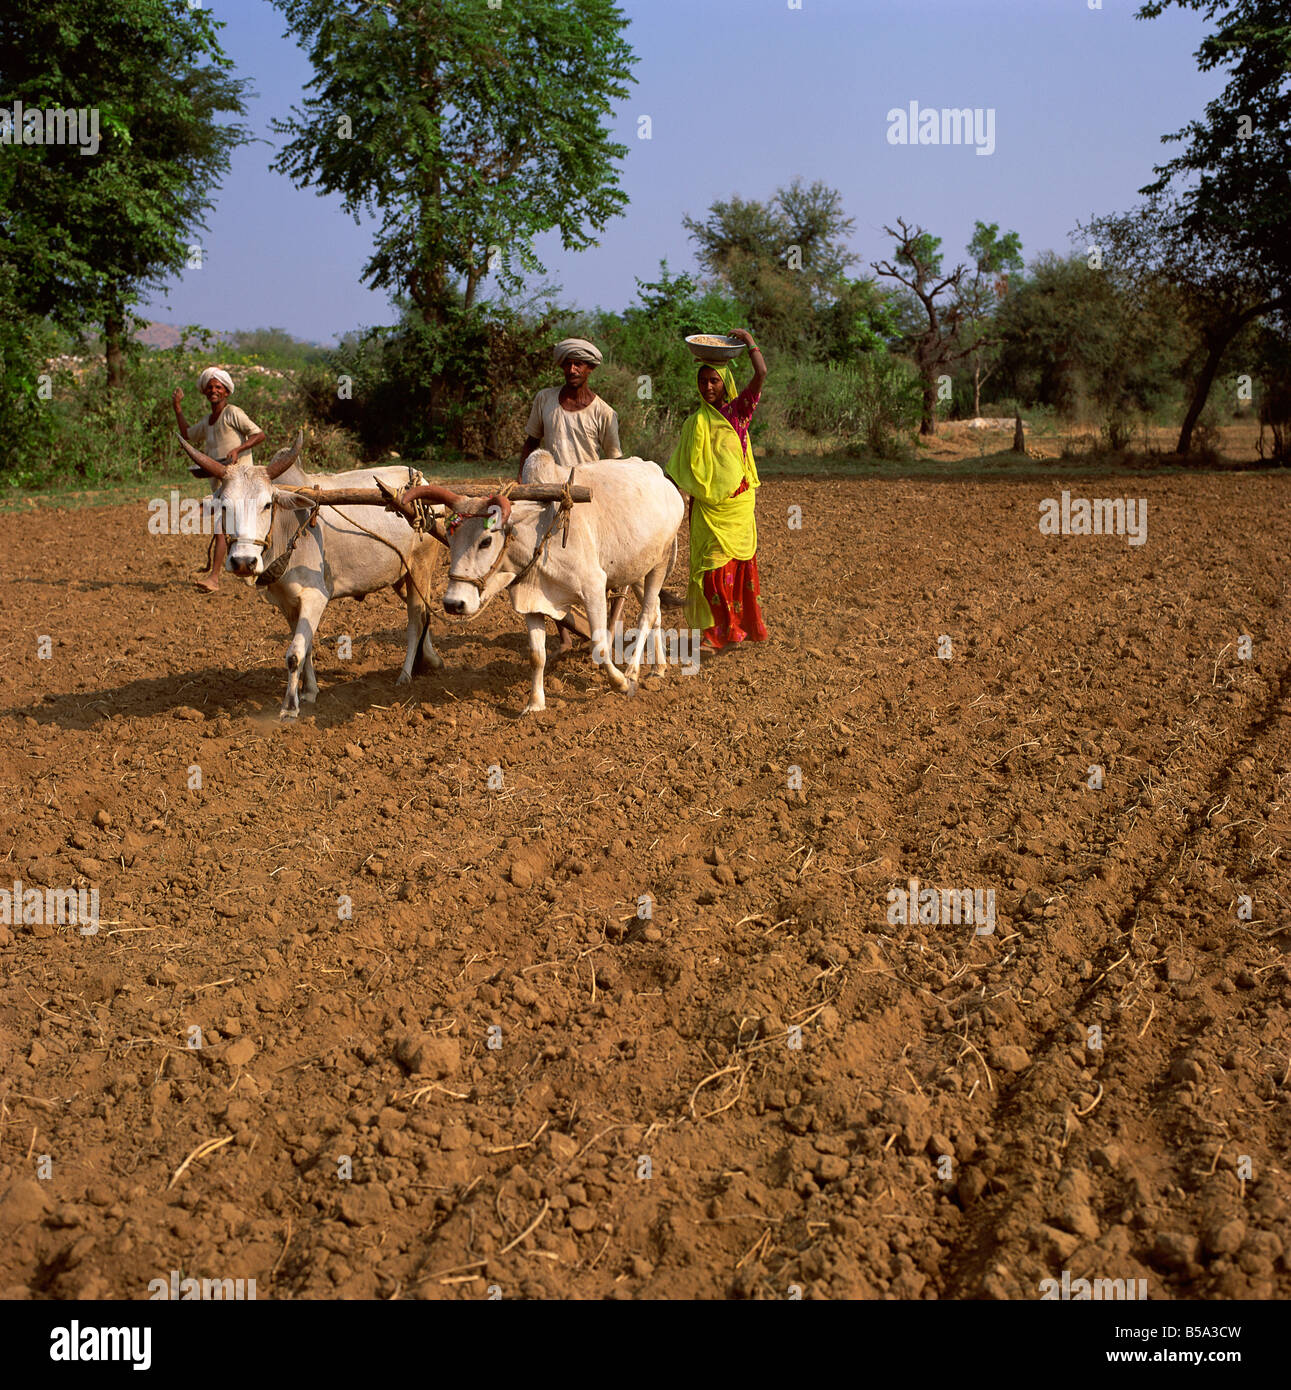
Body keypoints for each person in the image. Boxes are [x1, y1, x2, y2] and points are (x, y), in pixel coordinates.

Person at [666, 328, 769, 654]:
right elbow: (681, 470)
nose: (708, 387)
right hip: (707, 510)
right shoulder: (693, 423)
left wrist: (750, 341)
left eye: (715, 381)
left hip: (736, 506)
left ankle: (734, 632)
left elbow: (761, 373)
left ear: (726, 383)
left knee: (735, 571)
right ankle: (714, 633)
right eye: (703, 381)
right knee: (711, 573)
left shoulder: (738, 413)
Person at [520, 338, 622, 650]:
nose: (573, 369)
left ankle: (605, 630)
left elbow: (614, 462)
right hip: (549, 492)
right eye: (568, 363)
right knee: (548, 564)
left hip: (588, 498)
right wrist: (524, 486)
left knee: (599, 567)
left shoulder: (605, 413)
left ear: (591, 368)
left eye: (579, 364)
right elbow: (530, 443)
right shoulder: (545, 400)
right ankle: (563, 637)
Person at [171, 368, 265, 592]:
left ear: (226, 392)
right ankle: (247, 570)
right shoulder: (208, 421)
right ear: (205, 392)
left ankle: (214, 577)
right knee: (229, 525)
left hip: (240, 482)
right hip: (223, 485)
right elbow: (188, 435)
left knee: (222, 526)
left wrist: (238, 449)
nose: (214, 390)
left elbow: (259, 434)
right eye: (210, 387)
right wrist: (177, 409)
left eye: (218, 387)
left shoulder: (232, 413)